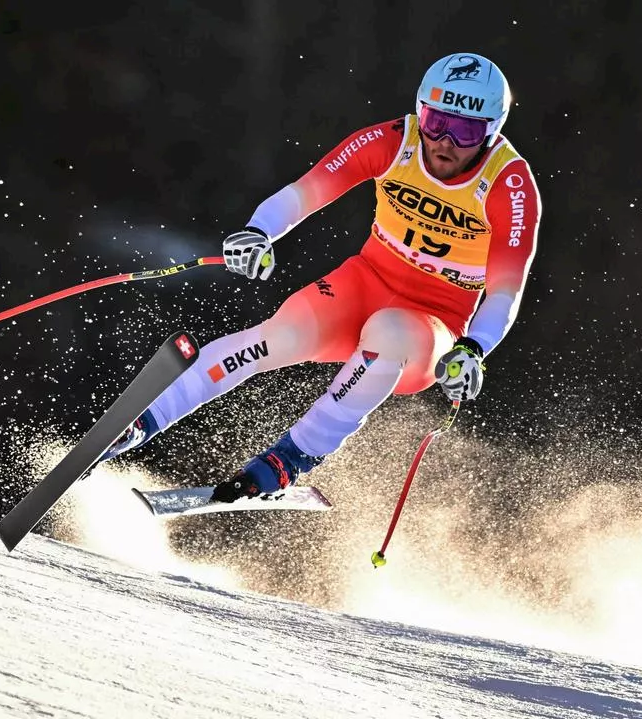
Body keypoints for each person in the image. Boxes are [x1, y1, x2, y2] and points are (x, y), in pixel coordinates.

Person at [103, 52, 541, 502]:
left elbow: (506, 290)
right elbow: (306, 191)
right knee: (279, 336)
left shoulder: (509, 185)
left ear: (492, 132)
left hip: (433, 323)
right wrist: (258, 233)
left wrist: (474, 348)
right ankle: (141, 422)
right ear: (419, 110)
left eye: (465, 130)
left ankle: (292, 456)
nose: (444, 141)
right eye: (434, 121)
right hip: (365, 282)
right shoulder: (394, 142)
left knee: (389, 332)